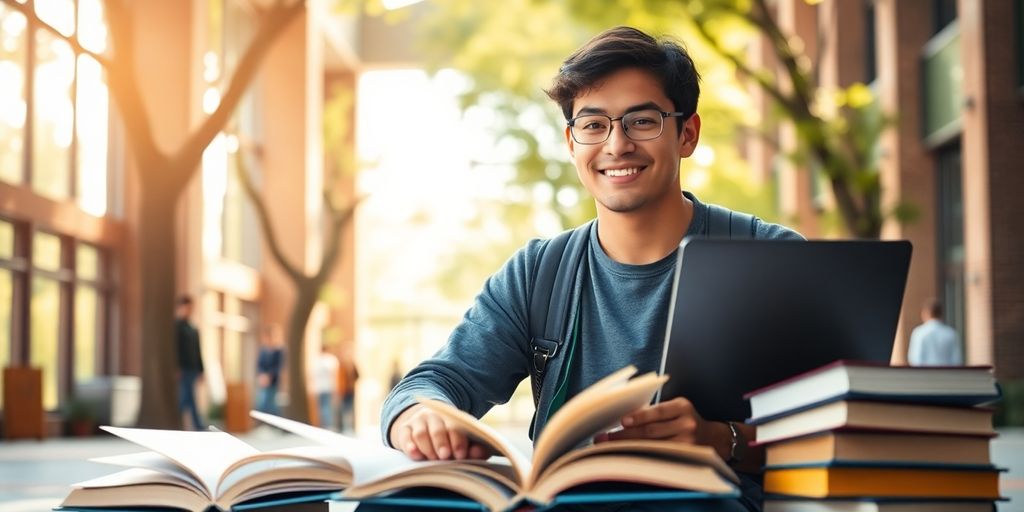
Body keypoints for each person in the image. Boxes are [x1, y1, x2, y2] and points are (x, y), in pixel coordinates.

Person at [380, 26, 802, 512]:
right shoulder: (538, 273)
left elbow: (847, 435)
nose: (617, 145)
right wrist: (421, 415)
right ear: (571, 141)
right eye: (594, 124)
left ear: (687, 133)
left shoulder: (771, 258)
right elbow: (431, 382)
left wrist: (721, 439)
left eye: (642, 121)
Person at [175, 295, 205, 431]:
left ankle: (184, 423)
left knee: (188, 397)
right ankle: (195, 425)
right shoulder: (176, 327)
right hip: (184, 368)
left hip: (193, 368)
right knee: (187, 397)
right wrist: (177, 367)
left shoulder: (193, 328)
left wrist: (201, 369)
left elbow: (198, 351)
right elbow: (175, 349)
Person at [908, 298, 963, 366]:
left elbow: (915, 360)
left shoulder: (919, 333)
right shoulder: (951, 333)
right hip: (947, 374)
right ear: (941, 314)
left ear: (926, 313)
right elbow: (956, 360)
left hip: (926, 374)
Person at [255, 324, 285, 415]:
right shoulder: (264, 350)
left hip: (273, 381)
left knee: (271, 405)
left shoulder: (279, 351)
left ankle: (274, 424)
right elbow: (259, 365)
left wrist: (269, 376)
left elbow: (279, 366)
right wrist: (262, 375)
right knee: (262, 404)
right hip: (263, 381)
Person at [314, 345, 340, 429]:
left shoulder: (317, 361)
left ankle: (324, 424)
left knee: (322, 407)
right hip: (329, 387)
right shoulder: (331, 360)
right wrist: (335, 388)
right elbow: (334, 375)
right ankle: (328, 425)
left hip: (319, 388)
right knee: (327, 407)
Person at [338, 355, 360, 433]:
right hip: (344, 391)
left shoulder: (352, 365)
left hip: (351, 390)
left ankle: (351, 427)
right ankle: (344, 427)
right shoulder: (341, 366)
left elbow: (358, 375)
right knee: (344, 409)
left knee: (350, 409)